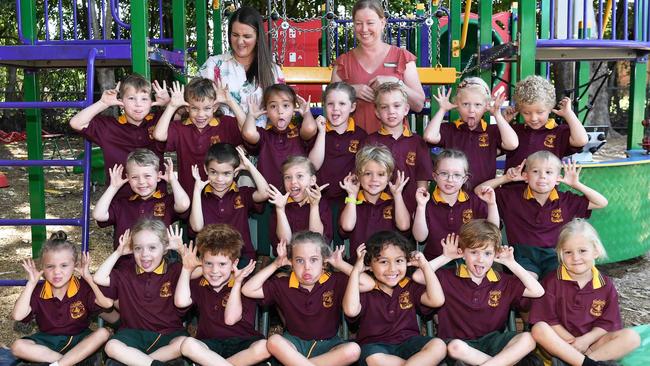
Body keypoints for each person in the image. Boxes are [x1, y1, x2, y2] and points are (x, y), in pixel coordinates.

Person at [413, 220, 544, 365]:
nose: (481, 259)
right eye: (474, 252)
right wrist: (446, 257)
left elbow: (537, 291)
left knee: (528, 339)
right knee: (455, 347)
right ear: (462, 252)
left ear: (495, 255)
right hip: (459, 346)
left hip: (493, 342)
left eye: (487, 253)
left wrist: (511, 263)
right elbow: (418, 276)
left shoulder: (503, 281)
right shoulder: (446, 277)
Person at [242, 231, 374, 366]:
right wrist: (275, 264)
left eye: (314, 259)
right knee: (273, 341)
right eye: (299, 260)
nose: (307, 267)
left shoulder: (335, 281)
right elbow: (248, 290)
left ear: (324, 262)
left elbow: (368, 284)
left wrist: (339, 264)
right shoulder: (282, 284)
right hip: (293, 346)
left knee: (353, 350)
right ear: (291, 262)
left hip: (329, 346)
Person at [477, 150, 608, 279]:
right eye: (535, 172)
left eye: (549, 172)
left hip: (553, 255)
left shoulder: (566, 200)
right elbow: (479, 191)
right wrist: (506, 178)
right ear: (526, 176)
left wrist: (576, 184)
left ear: (558, 179)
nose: (542, 176)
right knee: (529, 280)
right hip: (522, 254)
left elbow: (601, 202)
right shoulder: (512, 197)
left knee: (558, 281)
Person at [530, 218, 641, 366]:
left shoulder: (605, 285)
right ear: (560, 254)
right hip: (560, 344)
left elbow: (607, 323)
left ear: (595, 251)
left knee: (632, 337)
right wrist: (574, 343)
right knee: (539, 328)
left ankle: (587, 362)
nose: (575, 258)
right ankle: (587, 362)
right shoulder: (551, 282)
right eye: (568, 252)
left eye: (582, 251)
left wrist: (585, 341)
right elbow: (548, 320)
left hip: (591, 345)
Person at [343, 230, 446, 366]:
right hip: (375, 347)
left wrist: (425, 266)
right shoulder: (363, 289)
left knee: (439, 345)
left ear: (407, 262)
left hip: (409, 343)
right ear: (370, 266)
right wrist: (356, 270)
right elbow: (350, 310)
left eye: (399, 261)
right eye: (384, 262)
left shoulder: (409, 286)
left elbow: (437, 300)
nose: (392, 269)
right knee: (374, 359)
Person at [94, 219, 188, 365]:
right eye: (138, 248)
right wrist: (119, 252)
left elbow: (202, 270)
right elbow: (99, 278)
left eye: (152, 248)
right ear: (132, 249)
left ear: (165, 249)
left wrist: (182, 251)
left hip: (169, 334)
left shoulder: (175, 270)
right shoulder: (125, 272)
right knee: (111, 347)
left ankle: (138, 361)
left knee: (184, 343)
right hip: (133, 334)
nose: (144, 254)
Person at [10, 232, 112, 366]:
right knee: (18, 346)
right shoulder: (37, 291)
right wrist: (30, 284)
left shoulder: (83, 287)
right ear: (42, 268)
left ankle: (60, 364)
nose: (57, 272)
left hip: (79, 341)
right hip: (48, 343)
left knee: (103, 333)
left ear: (75, 265)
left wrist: (88, 278)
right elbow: (18, 315)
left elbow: (107, 304)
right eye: (50, 266)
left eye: (64, 265)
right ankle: (68, 362)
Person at [175, 224, 271, 366]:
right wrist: (186, 268)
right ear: (201, 263)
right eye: (208, 263)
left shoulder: (246, 284)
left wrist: (237, 283)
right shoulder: (198, 283)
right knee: (187, 344)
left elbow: (231, 319)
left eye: (222, 264)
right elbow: (181, 302)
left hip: (244, 343)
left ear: (234, 263)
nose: (214, 270)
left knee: (264, 346)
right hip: (209, 346)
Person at [330, 0, 425, 133]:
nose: (364, 29)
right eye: (358, 23)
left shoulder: (402, 57)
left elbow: (419, 105)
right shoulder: (343, 63)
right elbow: (330, 106)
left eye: (370, 23)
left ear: (382, 22)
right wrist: (351, 91)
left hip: (394, 144)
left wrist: (395, 83)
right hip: (353, 144)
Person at [69, 75, 170, 198]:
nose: (138, 104)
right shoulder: (110, 127)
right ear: (121, 102)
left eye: (144, 99)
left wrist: (168, 104)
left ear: (151, 102)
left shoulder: (159, 121)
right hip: (119, 200)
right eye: (131, 98)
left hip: (155, 200)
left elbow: (181, 117)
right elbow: (76, 123)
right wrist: (103, 103)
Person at [152, 78, 245, 196]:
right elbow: (159, 135)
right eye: (194, 108)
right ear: (187, 108)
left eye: (207, 108)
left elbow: (247, 131)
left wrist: (230, 101)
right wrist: (172, 106)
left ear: (215, 107)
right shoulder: (179, 128)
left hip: (221, 198)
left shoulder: (226, 124)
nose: (201, 115)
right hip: (188, 195)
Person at [422, 77, 519, 188]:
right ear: (457, 105)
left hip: (483, 195)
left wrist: (497, 114)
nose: (471, 110)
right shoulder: (450, 129)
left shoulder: (491, 131)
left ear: (486, 106)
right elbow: (429, 136)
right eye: (465, 104)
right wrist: (442, 110)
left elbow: (512, 144)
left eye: (478, 105)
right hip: (455, 195)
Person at [199, 6, 284, 126]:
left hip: (261, 138)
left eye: (247, 36)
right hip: (221, 138)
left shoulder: (272, 70)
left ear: (258, 38)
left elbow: (283, 112)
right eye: (235, 35)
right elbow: (194, 104)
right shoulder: (214, 65)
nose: (240, 42)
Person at [92, 148, 190, 249]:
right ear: (128, 178)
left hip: (159, 262)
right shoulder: (122, 204)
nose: (141, 182)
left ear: (158, 176)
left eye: (147, 176)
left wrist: (173, 180)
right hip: (126, 262)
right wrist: (113, 187)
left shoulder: (166, 201)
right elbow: (98, 215)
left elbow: (183, 204)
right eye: (134, 177)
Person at [412, 149, 499, 260]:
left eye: (457, 175)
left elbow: (492, 231)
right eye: (444, 173)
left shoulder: (474, 201)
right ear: (434, 176)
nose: (450, 179)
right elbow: (420, 237)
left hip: (469, 262)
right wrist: (420, 206)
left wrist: (492, 204)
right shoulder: (426, 203)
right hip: (436, 261)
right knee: (417, 276)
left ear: (465, 179)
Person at [189, 143, 268, 264]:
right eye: (214, 172)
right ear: (206, 170)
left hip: (241, 257)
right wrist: (196, 190)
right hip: (210, 259)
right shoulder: (200, 198)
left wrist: (249, 166)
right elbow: (197, 227)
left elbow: (265, 193)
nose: (219, 179)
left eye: (226, 173)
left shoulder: (242, 194)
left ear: (235, 173)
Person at [308, 83, 368, 241]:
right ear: (323, 106)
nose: (335, 109)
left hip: (348, 195)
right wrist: (321, 133)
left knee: (347, 234)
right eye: (330, 104)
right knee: (321, 238)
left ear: (353, 106)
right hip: (320, 195)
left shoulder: (361, 135)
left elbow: (362, 168)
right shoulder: (315, 131)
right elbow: (312, 166)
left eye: (342, 104)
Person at [364, 82, 433, 212]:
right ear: (377, 112)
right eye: (384, 107)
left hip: (410, 208)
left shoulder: (418, 142)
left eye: (396, 106)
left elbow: (422, 180)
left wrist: (419, 209)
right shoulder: (369, 141)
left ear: (406, 109)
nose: (391, 111)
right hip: (378, 213)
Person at [339, 144, 410, 263]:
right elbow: (347, 226)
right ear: (359, 176)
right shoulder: (352, 202)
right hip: (359, 266)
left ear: (389, 177)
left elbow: (404, 226)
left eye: (381, 174)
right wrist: (352, 195)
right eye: (367, 174)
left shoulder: (394, 202)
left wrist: (397, 195)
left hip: (389, 268)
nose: (374, 179)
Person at [241, 83, 319, 189]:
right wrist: (251, 115)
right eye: (273, 106)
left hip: (298, 193)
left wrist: (306, 113)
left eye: (286, 106)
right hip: (271, 197)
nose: (280, 111)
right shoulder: (265, 136)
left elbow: (310, 128)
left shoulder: (298, 133)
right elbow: (248, 133)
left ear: (293, 110)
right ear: (266, 111)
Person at [504, 75, 588, 171]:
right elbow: (495, 148)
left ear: (550, 108)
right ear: (519, 110)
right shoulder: (514, 131)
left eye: (540, 112)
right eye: (526, 113)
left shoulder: (558, 132)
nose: (533, 118)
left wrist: (569, 114)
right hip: (513, 186)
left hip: (547, 186)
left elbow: (581, 140)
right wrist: (505, 122)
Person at [268, 156, 332, 253]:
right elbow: (285, 243)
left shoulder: (321, 203)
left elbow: (317, 241)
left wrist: (314, 207)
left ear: (312, 180)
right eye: (288, 177)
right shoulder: (281, 204)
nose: (293, 182)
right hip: (287, 261)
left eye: (300, 176)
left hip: (315, 259)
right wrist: (280, 209)